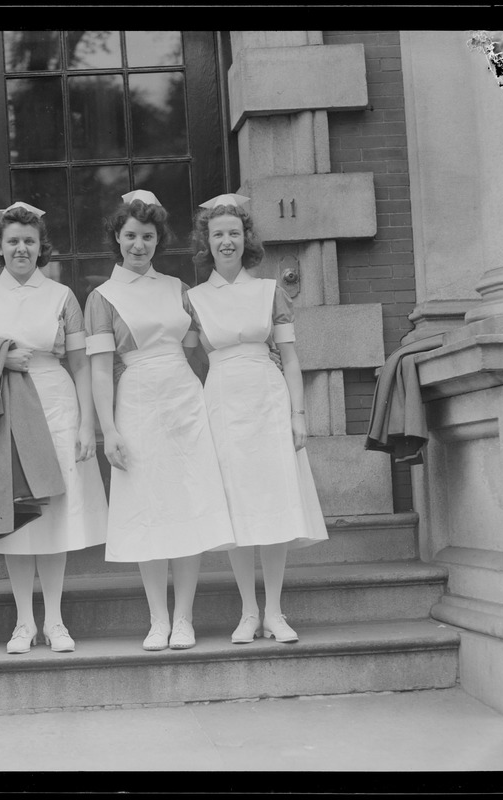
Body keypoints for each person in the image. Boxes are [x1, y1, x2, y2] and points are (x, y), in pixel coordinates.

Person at [0, 202, 108, 654]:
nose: (21, 248)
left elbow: (80, 363)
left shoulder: (62, 296)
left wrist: (85, 424)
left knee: (54, 514)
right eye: (13, 241)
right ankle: (24, 622)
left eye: (29, 241)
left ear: (41, 248)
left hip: (55, 404)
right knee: (16, 514)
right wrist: (2, 356)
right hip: (4, 408)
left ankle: (55, 621)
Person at [85, 190, 235, 652]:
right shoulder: (102, 297)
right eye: (130, 235)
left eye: (148, 236)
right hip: (136, 405)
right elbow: (98, 369)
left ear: (158, 239)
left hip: (183, 402)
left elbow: (200, 347)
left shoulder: (179, 289)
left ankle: (184, 618)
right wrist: (108, 428)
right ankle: (157, 619)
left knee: (187, 503)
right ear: (117, 237)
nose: (139, 245)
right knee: (148, 508)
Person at [187, 193, 328, 645]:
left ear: (245, 238)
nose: (226, 242)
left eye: (233, 233)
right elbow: (191, 359)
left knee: (273, 505)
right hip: (222, 404)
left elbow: (289, 358)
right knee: (238, 507)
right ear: (206, 242)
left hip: (268, 402)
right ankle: (248, 611)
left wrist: (298, 414)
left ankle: (275, 611)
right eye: (217, 234)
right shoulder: (194, 300)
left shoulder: (270, 292)